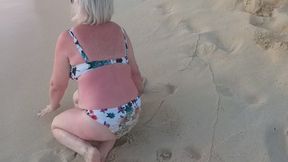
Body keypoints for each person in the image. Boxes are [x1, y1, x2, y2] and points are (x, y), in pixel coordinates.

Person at [37, 0, 144, 161]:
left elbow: (57, 85)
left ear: (80, 5)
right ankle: (106, 145)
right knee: (77, 97)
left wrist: (53, 105)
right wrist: (134, 100)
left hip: (104, 119)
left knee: (57, 125)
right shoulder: (120, 32)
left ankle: (88, 150)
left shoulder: (69, 37)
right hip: (133, 112)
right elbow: (135, 74)